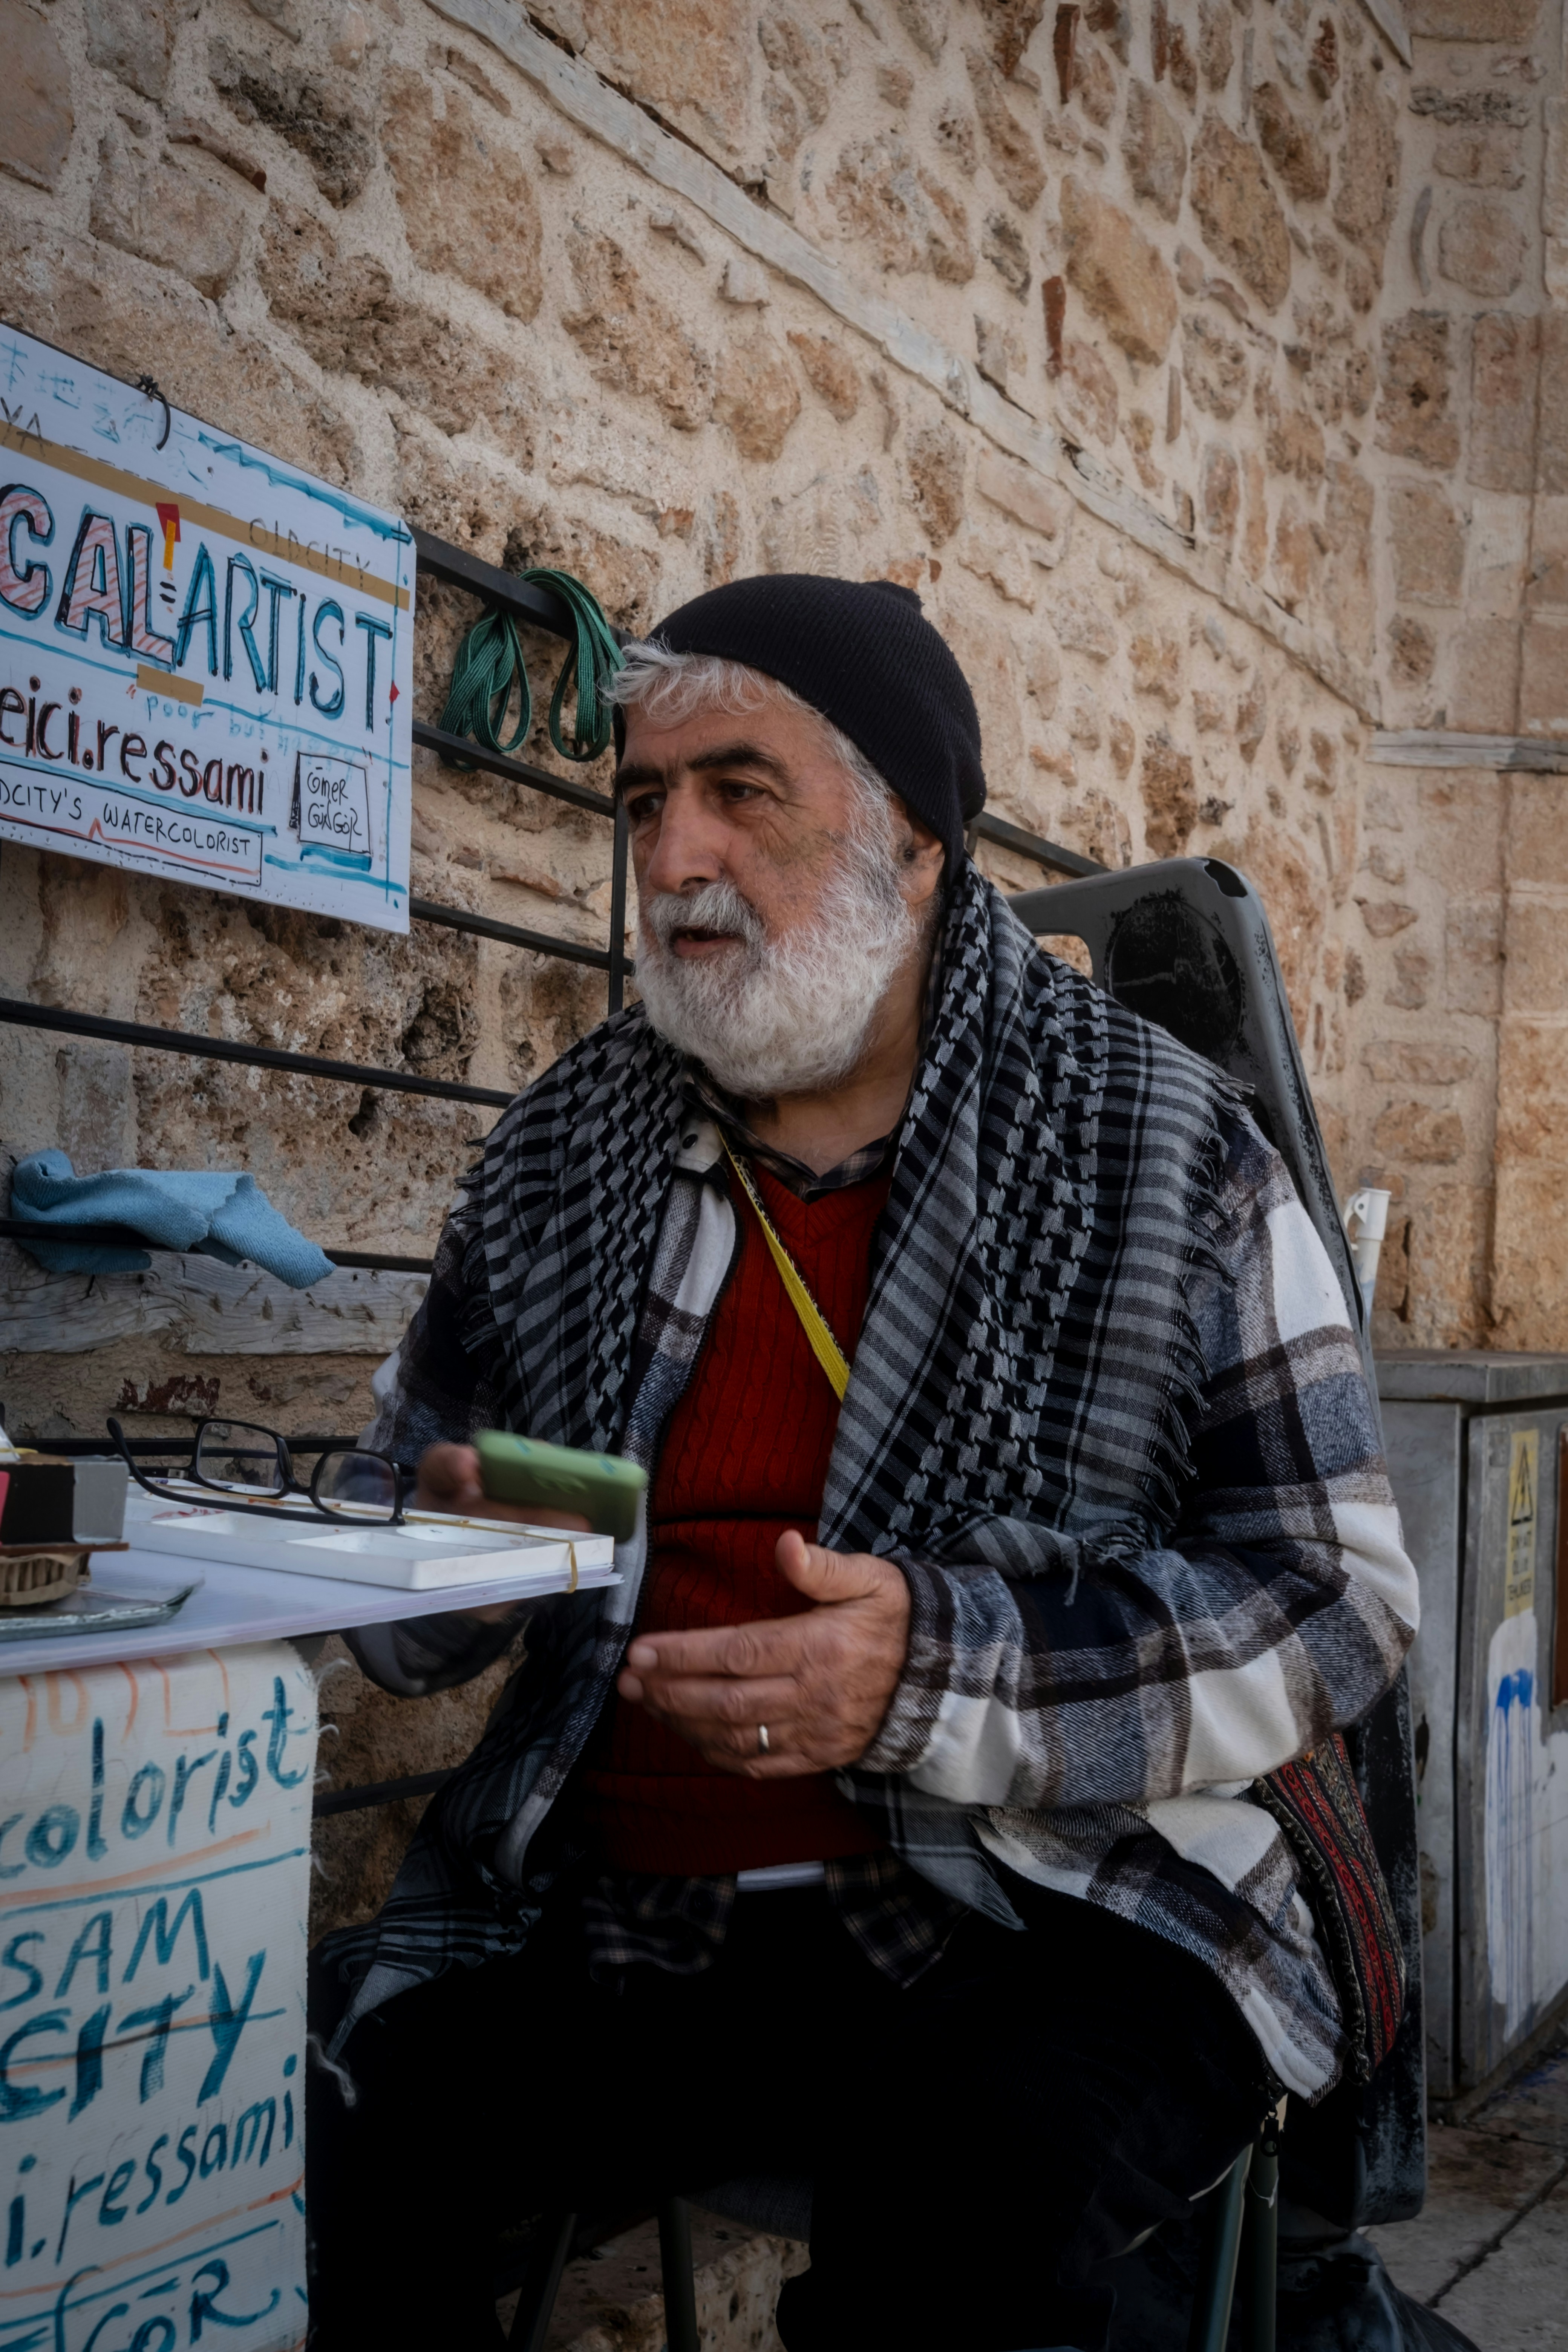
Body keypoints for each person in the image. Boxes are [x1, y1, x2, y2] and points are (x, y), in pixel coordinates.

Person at [307, 574, 1418, 2352]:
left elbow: (1334, 1603)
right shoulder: (555, 1157)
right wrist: (481, 1531)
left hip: (1051, 1902)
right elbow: (400, 1572)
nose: (672, 858)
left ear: (913, 846)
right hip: (626, 1915)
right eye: (642, 803)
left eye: (738, 793)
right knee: (342, 2121)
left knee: (961, 2201)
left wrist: (932, 1668)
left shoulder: (1158, 1147)